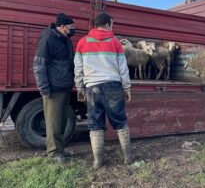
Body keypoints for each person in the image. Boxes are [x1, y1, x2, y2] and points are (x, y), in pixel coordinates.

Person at [74, 12, 132, 169]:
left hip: (92, 87)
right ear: (107, 24)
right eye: (111, 24)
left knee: (95, 123)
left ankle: (98, 161)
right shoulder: (115, 42)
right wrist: (126, 87)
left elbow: (78, 68)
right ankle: (127, 157)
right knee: (120, 121)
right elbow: (123, 68)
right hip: (112, 86)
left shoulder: (82, 42)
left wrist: (79, 86)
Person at [33, 13, 76, 163]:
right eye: (71, 27)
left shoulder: (66, 40)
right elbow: (38, 65)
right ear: (62, 27)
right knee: (53, 122)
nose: (73, 30)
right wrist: (44, 88)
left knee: (62, 121)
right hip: (54, 88)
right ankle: (53, 153)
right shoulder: (48, 39)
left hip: (65, 86)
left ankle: (60, 150)